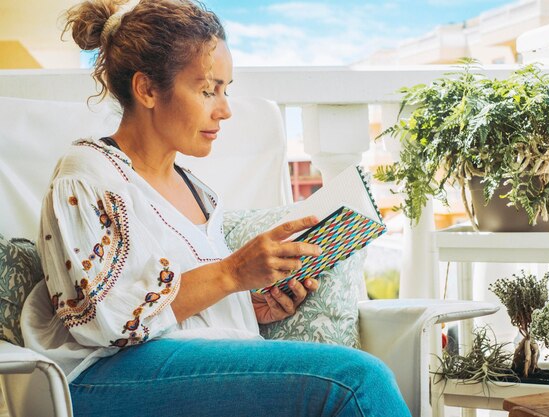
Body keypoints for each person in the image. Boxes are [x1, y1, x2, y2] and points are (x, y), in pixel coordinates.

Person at [21, 0, 411, 416]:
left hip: (184, 371)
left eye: (226, 90)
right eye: (208, 90)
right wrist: (231, 273)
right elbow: (105, 319)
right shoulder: (88, 173)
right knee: (353, 381)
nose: (224, 110)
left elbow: (182, 301)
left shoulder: (199, 193)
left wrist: (250, 305)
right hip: (105, 378)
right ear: (147, 89)